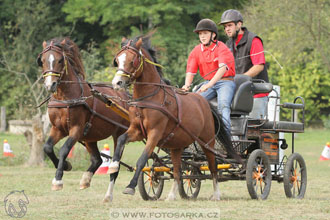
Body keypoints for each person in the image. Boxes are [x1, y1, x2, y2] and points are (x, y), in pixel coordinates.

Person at [182, 18, 236, 135]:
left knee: (223, 105)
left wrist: (209, 84)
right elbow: (190, 71)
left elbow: (222, 69)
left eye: (205, 33)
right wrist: (186, 85)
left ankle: (226, 137)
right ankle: (191, 134)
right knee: (193, 103)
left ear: (213, 35)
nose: (202, 36)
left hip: (225, 82)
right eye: (200, 34)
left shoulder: (222, 48)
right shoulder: (196, 50)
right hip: (208, 83)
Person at [219, 9, 269, 119]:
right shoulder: (229, 44)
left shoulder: (253, 40)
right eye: (225, 27)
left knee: (253, 131)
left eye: (229, 25)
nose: (227, 29)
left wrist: (240, 79)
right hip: (238, 95)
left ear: (239, 24)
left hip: (256, 94)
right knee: (236, 131)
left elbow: (259, 66)